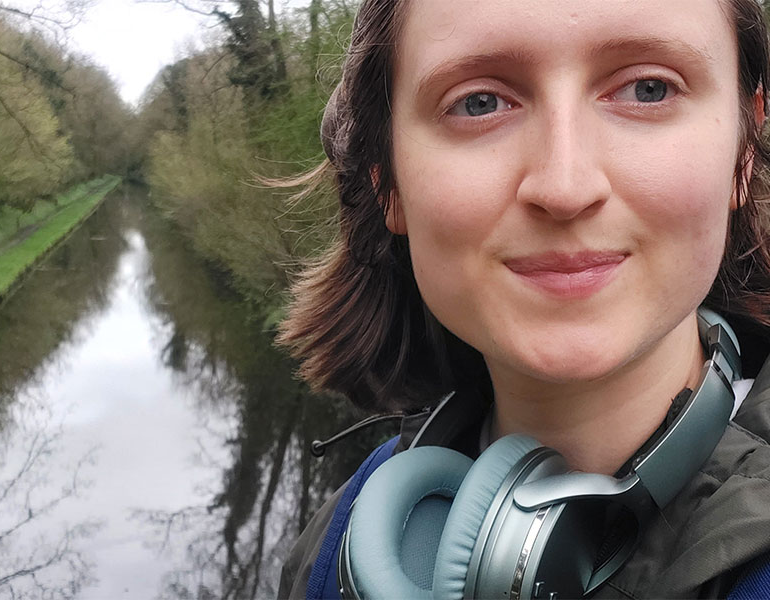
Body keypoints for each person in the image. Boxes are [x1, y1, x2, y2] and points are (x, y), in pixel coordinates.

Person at [277, 0, 770, 598]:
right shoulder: (334, 552)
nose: (565, 187)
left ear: (744, 149)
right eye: (479, 102)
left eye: (647, 89)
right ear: (390, 182)